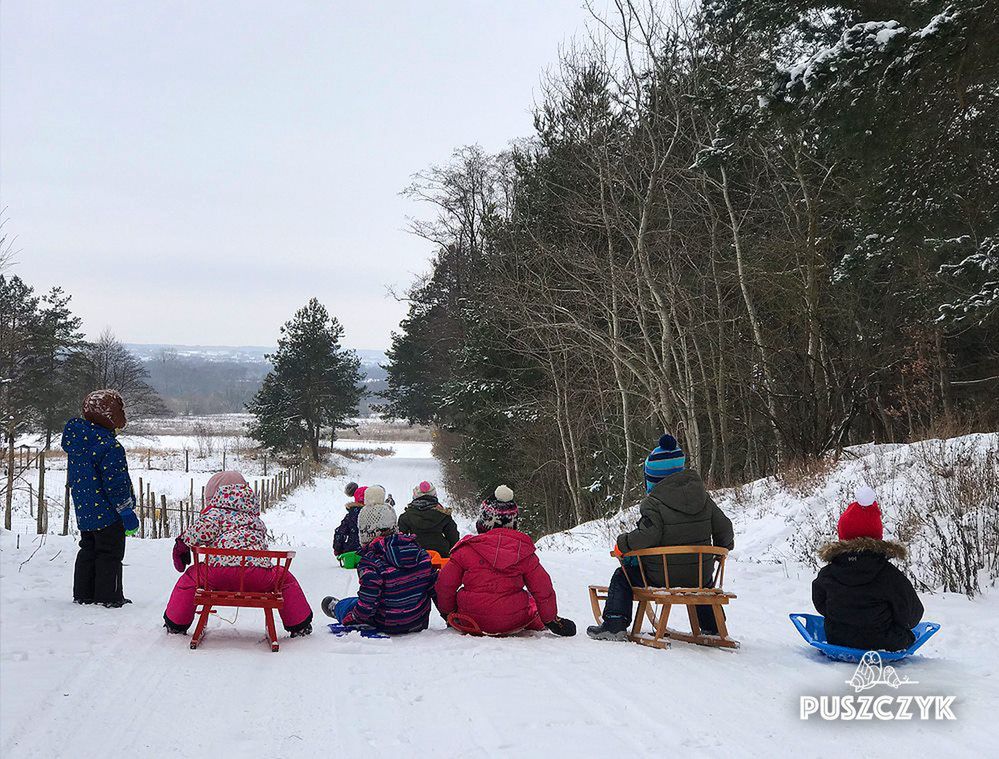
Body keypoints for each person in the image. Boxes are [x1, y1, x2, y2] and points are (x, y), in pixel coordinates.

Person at [587, 434, 734, 641]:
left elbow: (648, 534)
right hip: (700, 575)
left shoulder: (653, 503)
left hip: (661, 578)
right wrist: (719, 550)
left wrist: (623, 543)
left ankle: (614, 623)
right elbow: (725, 529)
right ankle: (713, 626)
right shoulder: (704, 498)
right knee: (704, 580)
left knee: (622, 575)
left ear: (653, 479)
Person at [163, 471, 313, 637]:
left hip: (219, 574)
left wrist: (182, 544)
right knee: (284, 579)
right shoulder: (254, 518)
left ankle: (176, 623)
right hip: (259, 576)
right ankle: (300, 625)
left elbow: (198, 532)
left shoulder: (215, 514)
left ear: (213, 496)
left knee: (191, 577)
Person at [435, 485, 576, 637]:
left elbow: (445, 584)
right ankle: (543, 622)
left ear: (483, 521)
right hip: (513, 620)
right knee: (530, 602)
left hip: (470, 619)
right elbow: (543, 589)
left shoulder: (466, 550)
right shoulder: (524, 552)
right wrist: (550, 620)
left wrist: (447, 613)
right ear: (513, 523)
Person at [812, 486, 924, 651]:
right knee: (907, 635)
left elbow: (820, 604)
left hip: (837, 639)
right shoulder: (888, 575)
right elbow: (912, 615)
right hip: (884, 642)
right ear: (877, 538)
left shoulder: (828, 574)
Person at [321, 485, 436, 634]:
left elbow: (367, 605)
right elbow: (435, 588)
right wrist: (448, 615)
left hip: (385, 623)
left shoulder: (370, 561)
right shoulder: (420, 554)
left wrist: (352, 618)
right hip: (418, 621)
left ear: (365, 533)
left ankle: (337, 607)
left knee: (351, 604)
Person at [62, 390, 139, 608]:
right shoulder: (110, 447)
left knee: (88, 549)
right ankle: (109, 596)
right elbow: (116, 483)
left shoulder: (79, 444)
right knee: (110, 553)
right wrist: (125, 510)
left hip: (85, 509)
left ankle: (83, 593)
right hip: (108, 512)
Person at [398, 480, 460, 557]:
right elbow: (453, 538)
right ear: (434, 496)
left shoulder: (405, 517)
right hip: (442, 557)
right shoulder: (444, 515)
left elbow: (400, 540)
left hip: (415, 557)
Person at [333, 482, 364, 565]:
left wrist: (338, 549)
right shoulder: (377, 515)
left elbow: (340, 532)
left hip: (353, 550)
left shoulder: (351, 515)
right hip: (373, 552)